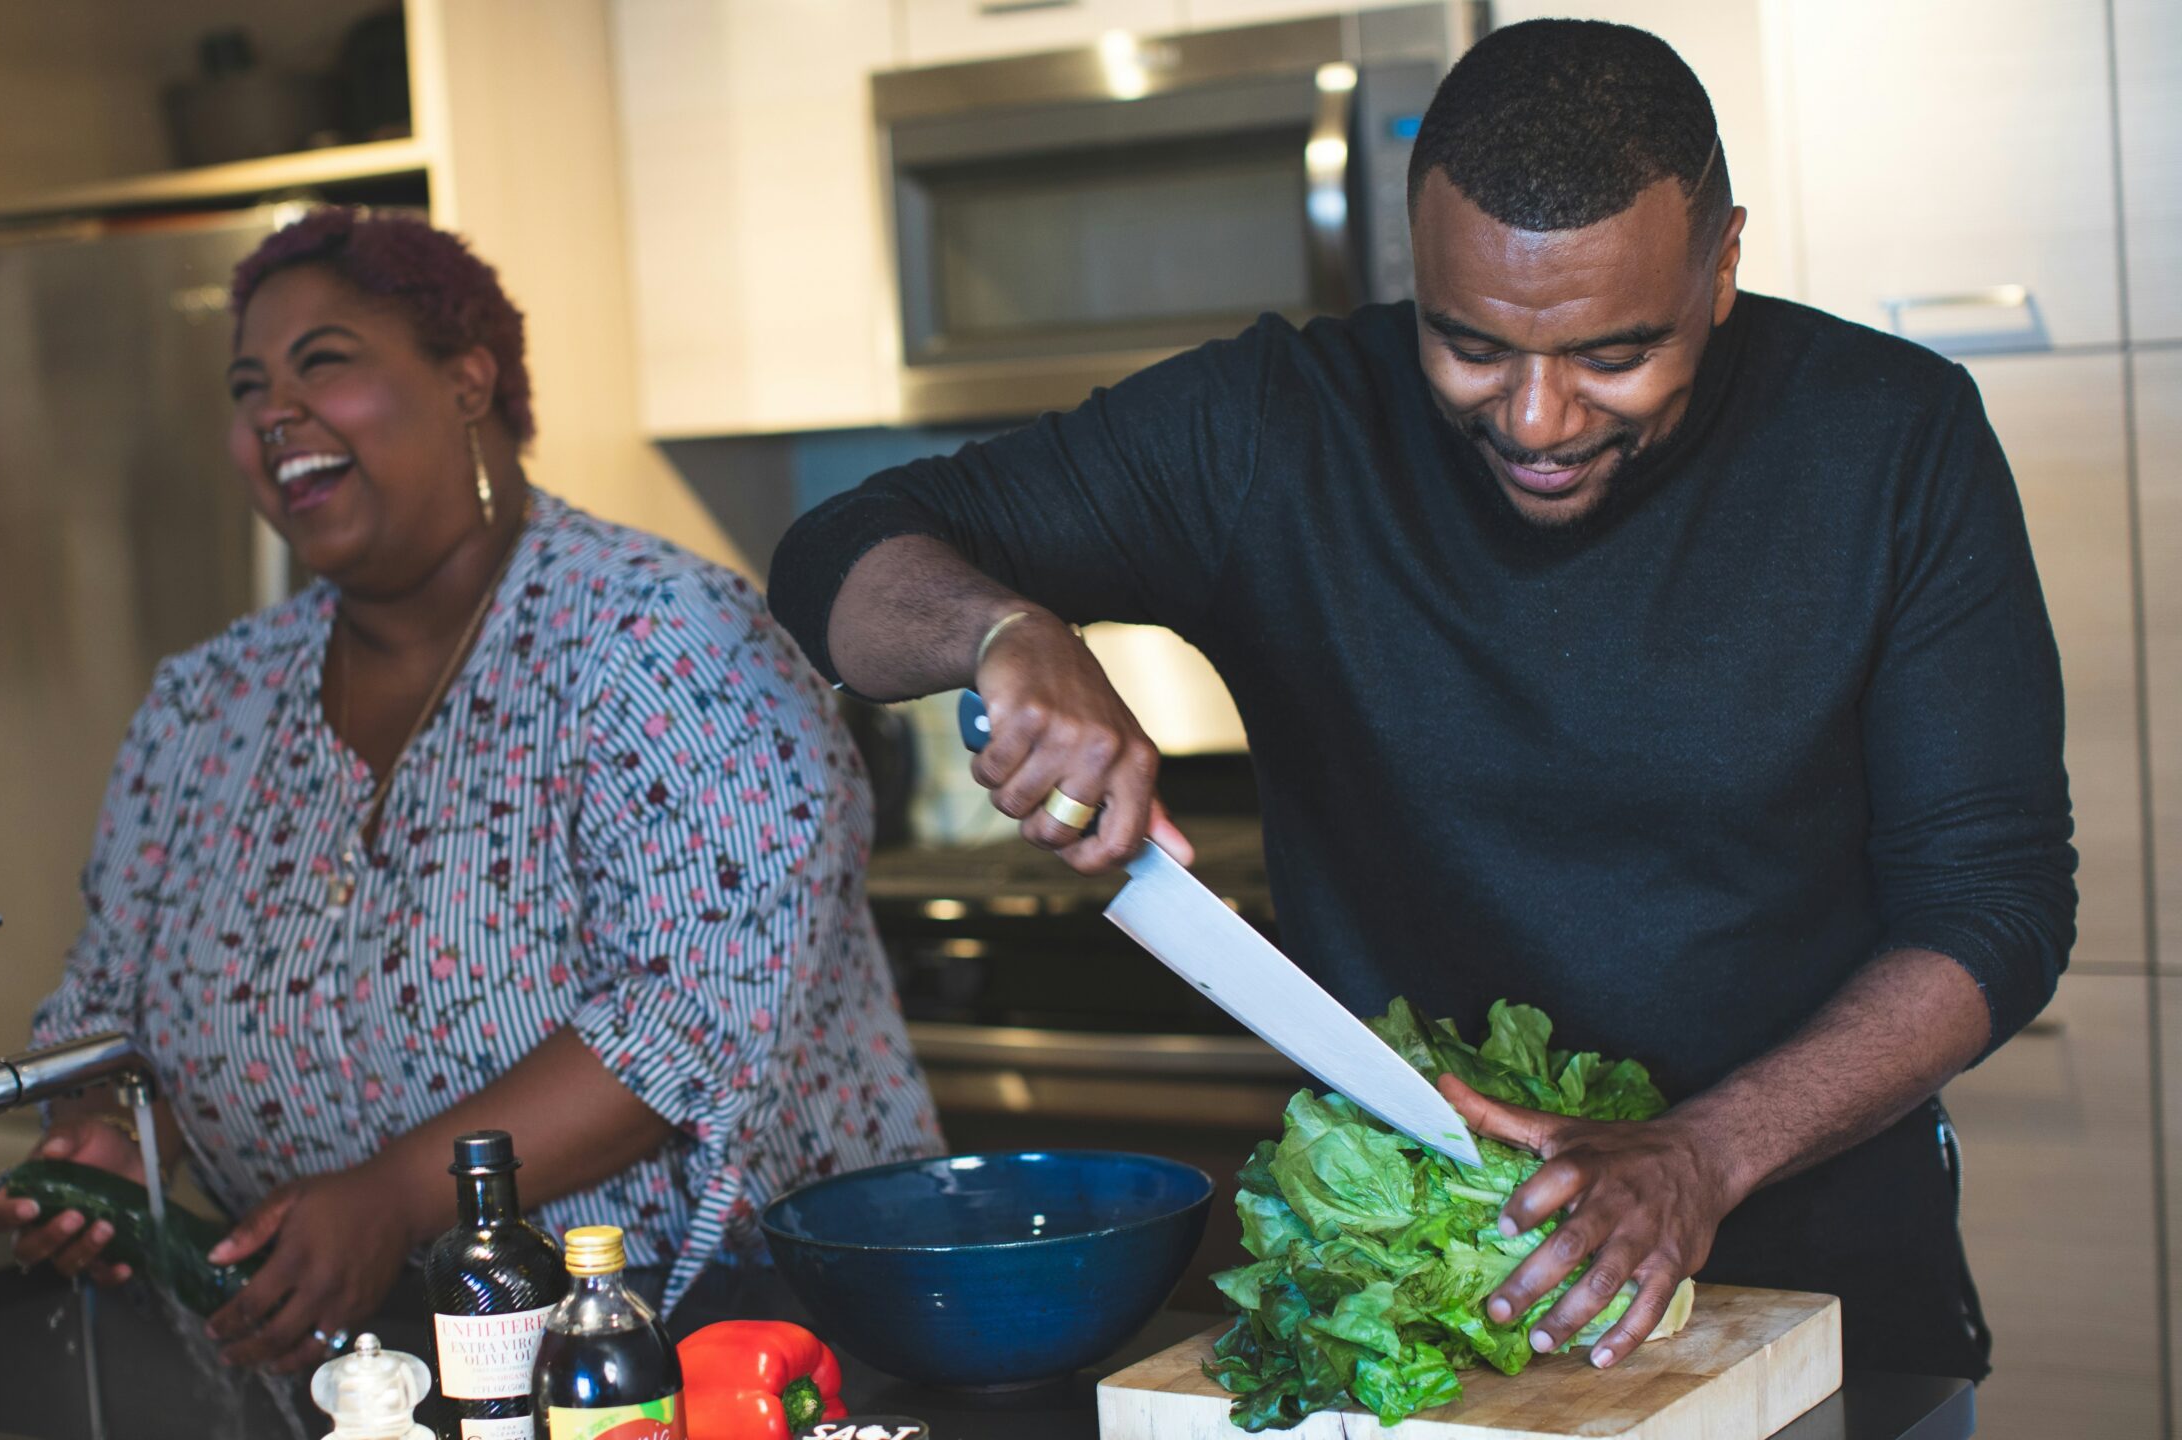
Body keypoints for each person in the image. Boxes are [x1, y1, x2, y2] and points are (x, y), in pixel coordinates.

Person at [768, 20, 2071, 1383]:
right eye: (1472, 346)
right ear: (1416, 264)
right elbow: (835, 556)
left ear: (1722, 263)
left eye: (1614, 355)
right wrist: (1005, 629)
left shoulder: (1890, 439)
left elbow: (1997, 904)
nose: (1538, 418)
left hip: (1823, 1284)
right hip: (1422, 1302)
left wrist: (1705, 1151)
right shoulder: (1275, 427)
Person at [0, 208, 941, 1374]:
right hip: (357, 1362)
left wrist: (392, 1198)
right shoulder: (205, 704)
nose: (274, 410)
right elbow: (114, 1006)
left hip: (711, 1340)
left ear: (467, 381)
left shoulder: (662, 638)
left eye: (322, 362)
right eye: (247, 387)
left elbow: (695, 1011)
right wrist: (113, 1133)